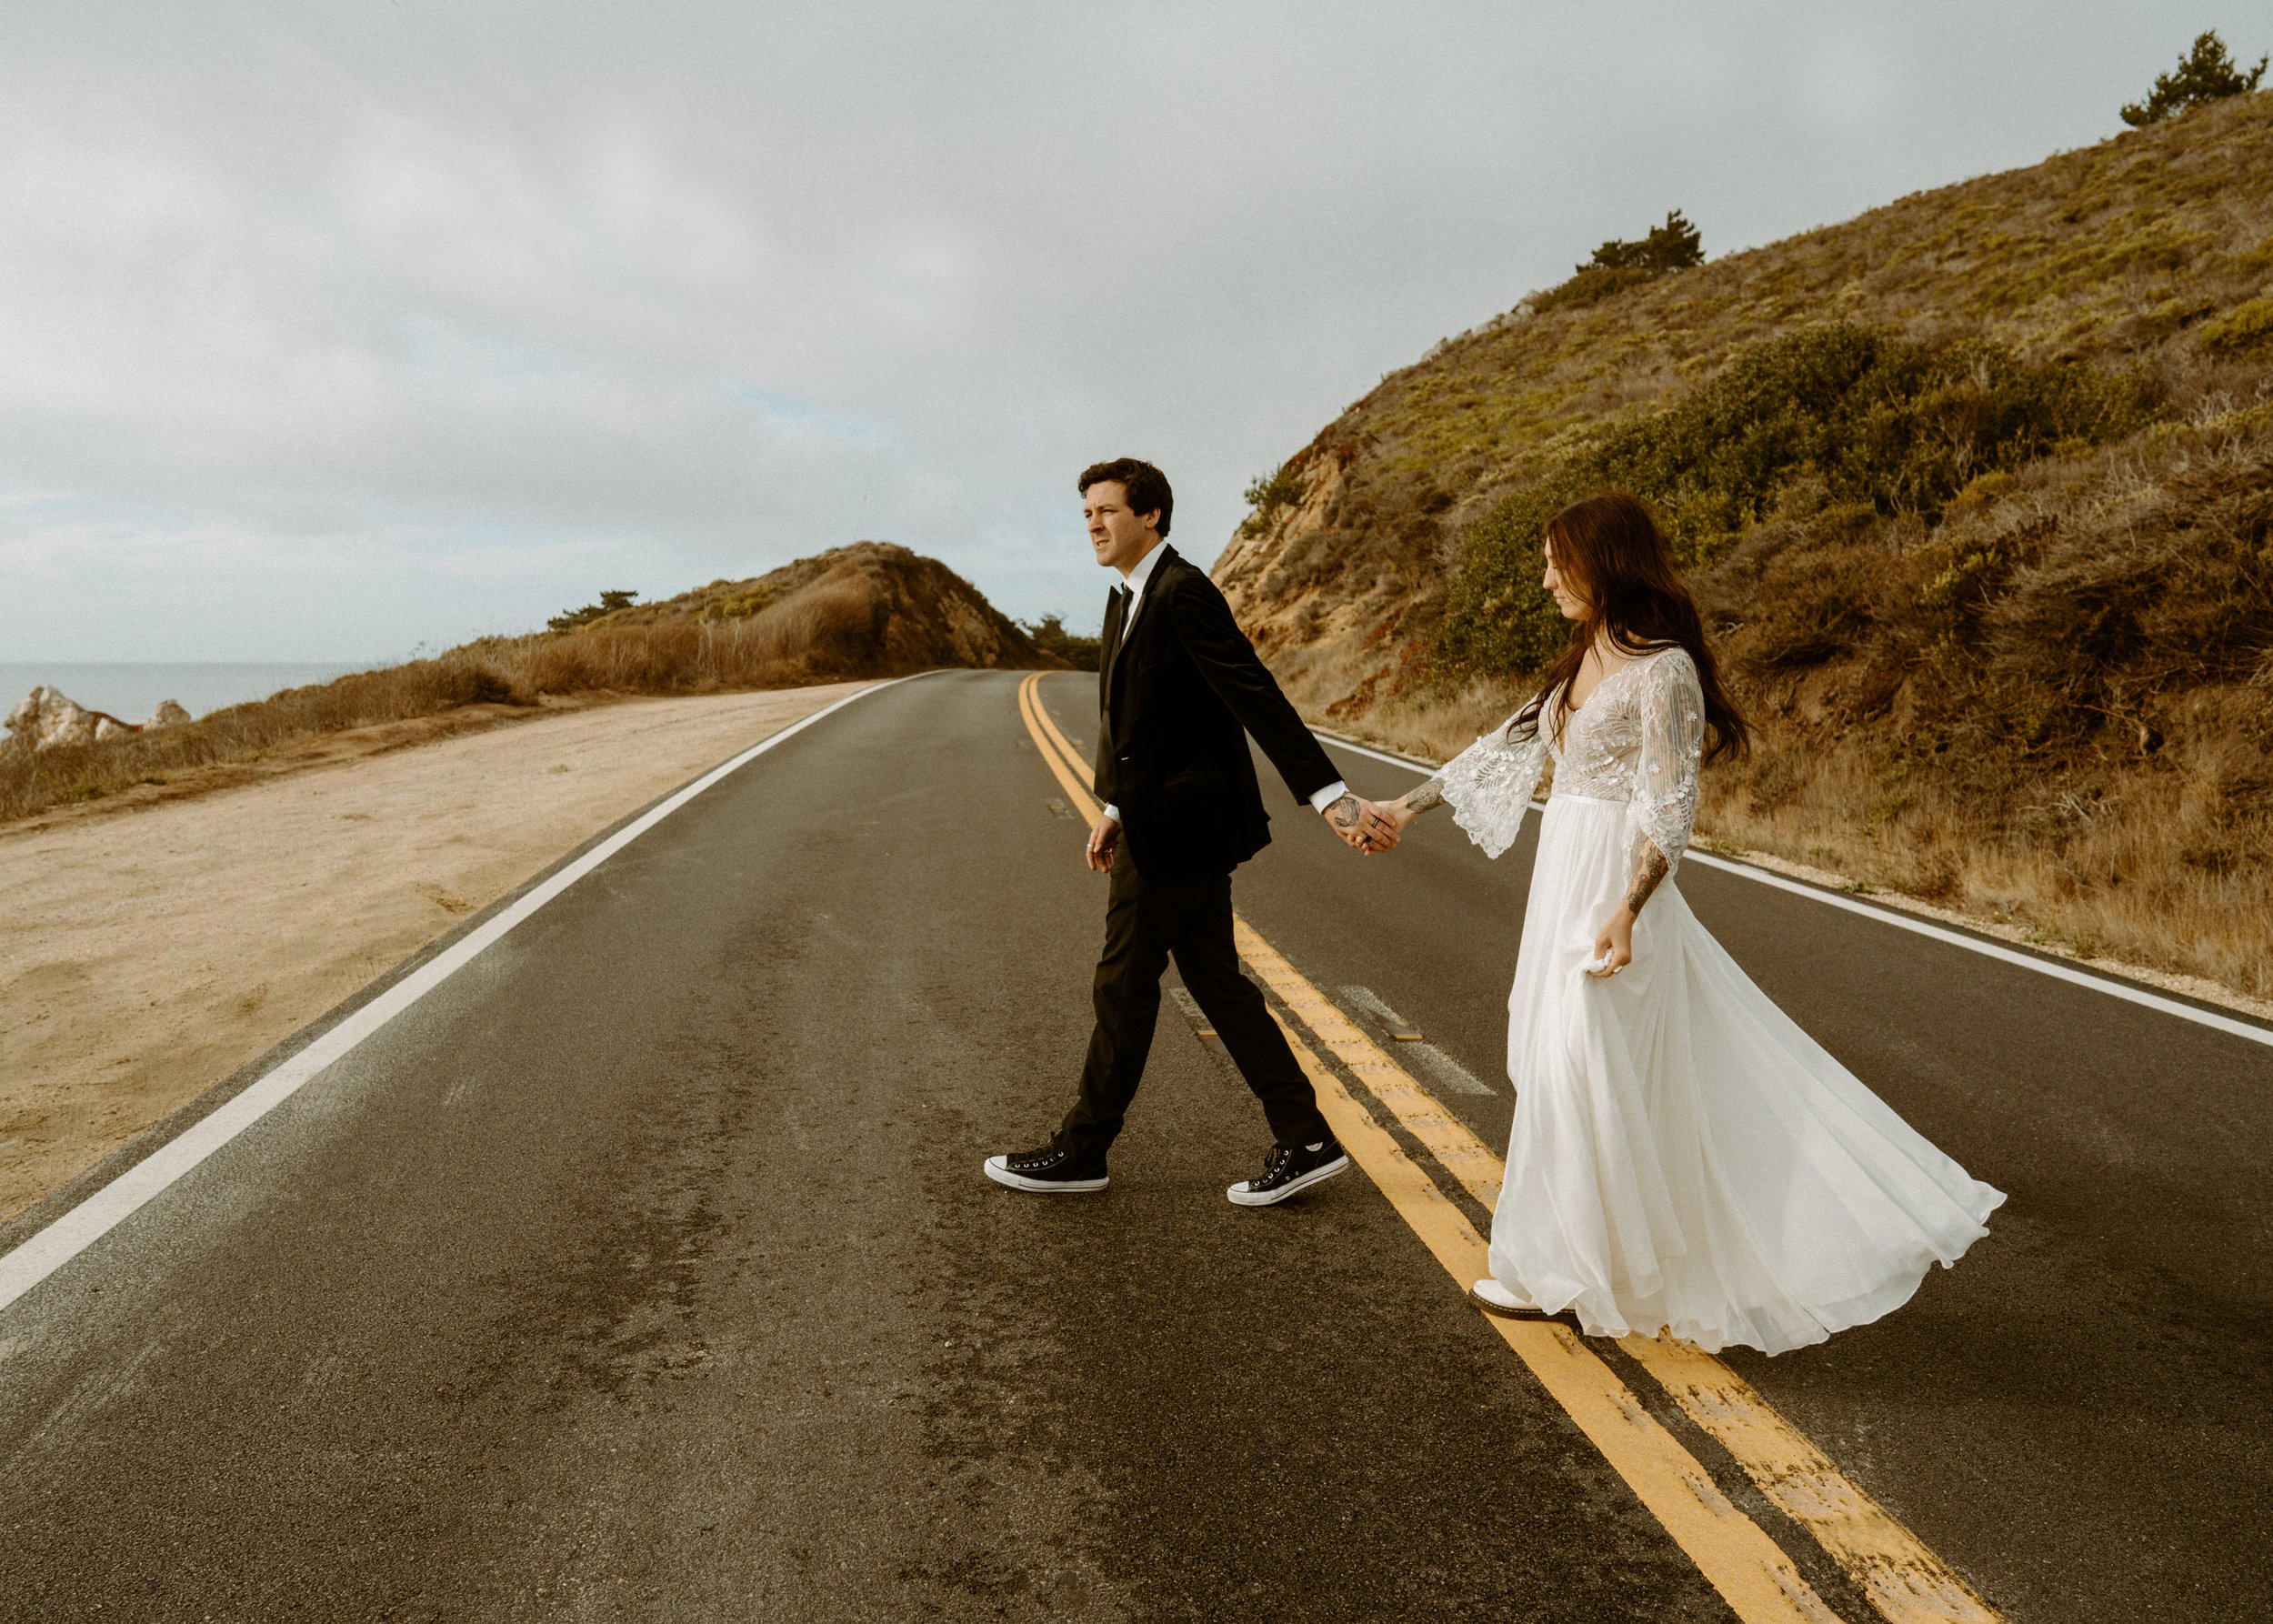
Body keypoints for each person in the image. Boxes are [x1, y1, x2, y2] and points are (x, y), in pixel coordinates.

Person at [1361, 491, 2004, 1355]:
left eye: (1560, 561)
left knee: (1584, 1063)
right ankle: (1584, 1266)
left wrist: (1629, 910)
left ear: (1607, 562)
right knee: (1549, 1061)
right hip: (1564, 874)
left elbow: (1670, 807)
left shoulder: (1664, 669)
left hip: (1615, 887)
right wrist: (1403, 807)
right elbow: (1504, 744)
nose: (1547, 578)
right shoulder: (1583, 653)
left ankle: (1556, 1274)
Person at [985, 457, 1394, 1206]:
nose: (1094, 526)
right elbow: (1133, 722)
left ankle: (1083, 1151)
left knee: (1124, 985)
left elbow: (1252, 694)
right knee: (1216, 984)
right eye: (1087, 514)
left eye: (1107, 511)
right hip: (1157, 819)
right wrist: (1112, 807)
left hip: (1182, 829)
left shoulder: (1183, 593)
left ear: (1153, 517)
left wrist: (1329, 795)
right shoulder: (1126, 599)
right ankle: (1305, 1136)